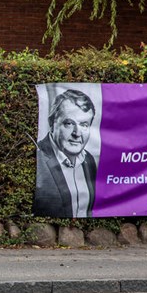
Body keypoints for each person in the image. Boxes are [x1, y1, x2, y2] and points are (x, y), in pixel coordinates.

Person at [33, 88, 98, 218]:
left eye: (84, 125)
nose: (77, 133)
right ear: (52, 123)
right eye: (68, 123)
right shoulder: (38, 158)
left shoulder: (88, 160)